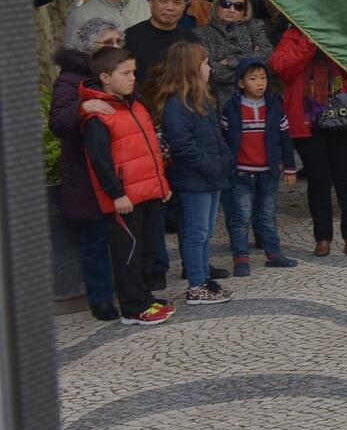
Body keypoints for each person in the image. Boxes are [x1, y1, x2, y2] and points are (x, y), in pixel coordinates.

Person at [77, 46, 176, 325]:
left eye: (133, 71)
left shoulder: (135, 103)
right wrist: (116, 193)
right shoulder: (98, 116)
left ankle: (145, 297)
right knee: (128, 253)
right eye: (126, 73)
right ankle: (133, 307)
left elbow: (151, 149)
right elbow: (100, 162)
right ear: (106, 77)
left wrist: (161, 182)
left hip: (149, 191)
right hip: (125, 197)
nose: (133, 78)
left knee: (147, 248)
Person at [55, 21, 132, 320]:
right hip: (86, 172)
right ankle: (100, 299)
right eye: (107, 42)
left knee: (126, 236)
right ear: (88, 48)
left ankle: (132, 289)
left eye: (118, 40)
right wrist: (83, 108)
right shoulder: (70, 79)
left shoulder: (123, 73)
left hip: (122, 167)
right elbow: (58, 123)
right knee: (95, 240)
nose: (115, 46)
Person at [269, 27, 347, 256]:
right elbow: (281, 67)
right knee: (318, 181)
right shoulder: (293, 35)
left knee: (346, 178)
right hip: (307, 118)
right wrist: (310, 42)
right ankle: (322, 237)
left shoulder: (344, 31)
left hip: (344, 114)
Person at [147, 42, 233, 306]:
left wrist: (225, 160)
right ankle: (196, 285)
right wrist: (211, 165)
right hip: (195, 179)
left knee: (205, 232)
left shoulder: (202, 99)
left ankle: (204, 277)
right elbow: (183, 145)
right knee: (196, 233)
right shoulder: (176, 105)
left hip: (211, 176)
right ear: (191, 68)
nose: (209, 68)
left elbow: (216, 137)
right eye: (205, 63)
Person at [221, 59, 297, 278]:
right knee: (241, 216)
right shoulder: (232, 107)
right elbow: (225, 139)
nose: (259, 83)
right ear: (241, 83)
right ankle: (241, 259)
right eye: (253, 79)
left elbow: (285, 138)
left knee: (267, 215)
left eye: (263, 78)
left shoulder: (274, 105)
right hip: (241, 172)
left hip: (268, 172)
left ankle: (273, 254)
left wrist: (290, 168)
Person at [124, 0, 203, 85]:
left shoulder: (192, 40)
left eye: (177, 2)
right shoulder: (130, 38)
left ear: (184, 6)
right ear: (151, 3)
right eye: (163, 1)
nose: (170, 7)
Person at [199, 0, 272, 102]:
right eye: (226, 4)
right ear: (217, 5)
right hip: (221, 101)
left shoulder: (254, 26)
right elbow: (210, 71)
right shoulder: (201, 33)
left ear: (244, 11)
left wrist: (230, 61)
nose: (231, 10)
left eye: (238, 6)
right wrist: (250, 72)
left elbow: (267, 54)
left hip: (256, 101)